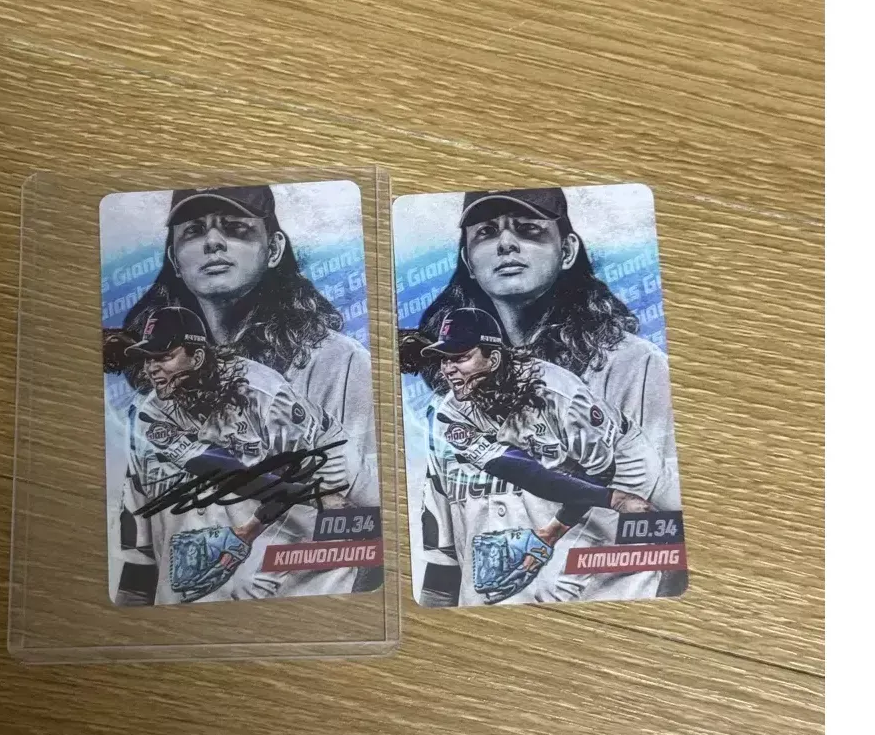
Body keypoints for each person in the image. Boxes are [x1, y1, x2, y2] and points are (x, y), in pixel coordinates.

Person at [402, 187, 677, 474]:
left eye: (528, 228)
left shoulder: (634, 367)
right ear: (469, 261)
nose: (505, 243)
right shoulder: (456, 381)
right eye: (486, 231)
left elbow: (654, 485)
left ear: (567, 251)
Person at [416, 308, 678, 606]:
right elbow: (523, 471)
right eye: (444, 359)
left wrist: (557, 529)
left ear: (494, 358)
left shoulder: (556, 392)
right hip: (565, 470)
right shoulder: (450, 415)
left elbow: (601, 470)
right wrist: (556, 529)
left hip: (624, 458)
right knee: (561, 576)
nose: (449, 368)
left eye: (461, 357)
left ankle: (671, 577)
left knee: (674, 528)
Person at [114, 307, 376, 605]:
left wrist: (258, 526)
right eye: (148, 358)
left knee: (364, 527)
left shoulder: (261, 393)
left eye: (163, 356)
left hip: (327, 452)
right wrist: (248, 531)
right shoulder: (150, 413)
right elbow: (217, 468)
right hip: (257, 473)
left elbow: (302, 468)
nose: (152, 368)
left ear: (197, 358)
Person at [106, 185, 376, 469]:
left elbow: (360, 485)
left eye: (235, 227)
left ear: (274, 249)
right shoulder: (155, 389)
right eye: (194, 230)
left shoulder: (339, 365)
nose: (212, 241)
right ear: (175, 260)